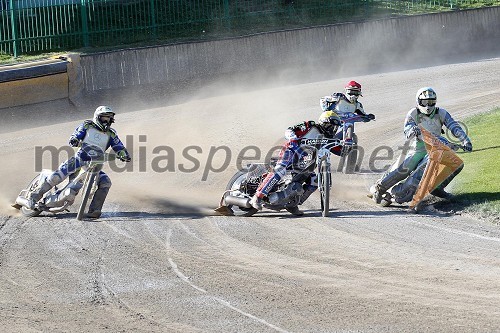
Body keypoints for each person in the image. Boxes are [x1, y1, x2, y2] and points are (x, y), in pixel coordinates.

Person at [371, 87, 472, 204]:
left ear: (435, 101)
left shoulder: (441, 113)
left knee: (457, 165)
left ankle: (437, 188)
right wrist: (412, 130)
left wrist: (465, 140)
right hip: (417, 149)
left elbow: (453, 126)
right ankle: (380, 187)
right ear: (418, 101)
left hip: (436, 148)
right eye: (424, 102)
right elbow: (407, 130)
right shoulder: (413, 113)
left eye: (431, 102)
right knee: (404, 169)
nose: (428, 106)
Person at [27, 106, 131, 218]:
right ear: (97, 117)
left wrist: (123, 154)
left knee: (106, 182)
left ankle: (94, 210)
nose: (107, 121)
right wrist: (75, 139)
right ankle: (33, 197)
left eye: (109, 119)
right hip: (78, 160)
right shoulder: (87, 125)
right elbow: (76, 134)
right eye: (104, 118)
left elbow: (118, 146)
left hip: (94, 165)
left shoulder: (111, 134)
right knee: (56, 177)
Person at [249, 111, 342, 216]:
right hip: (291, 152)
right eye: (332, 126)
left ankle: (292, 204)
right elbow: (289, 130)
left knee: (314, 182)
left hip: (306, 162)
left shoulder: (330, 139)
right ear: (324, 123)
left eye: (335, 128)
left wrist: (348, 148)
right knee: (280, 170)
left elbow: (340, 151)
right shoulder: (309, 126)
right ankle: (257, 197)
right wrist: (293, 138)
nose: (333, 130)